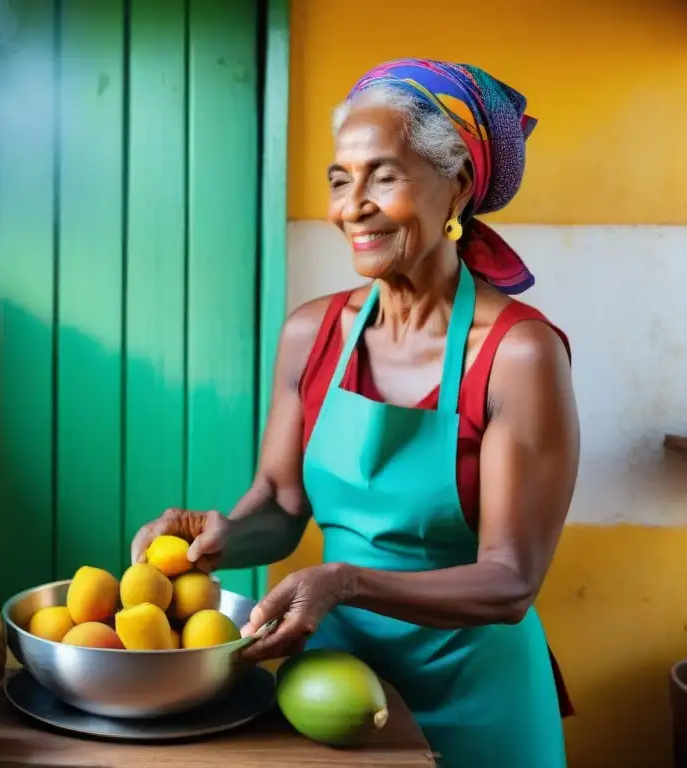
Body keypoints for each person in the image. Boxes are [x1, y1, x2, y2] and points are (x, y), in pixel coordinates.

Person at [131, 59, 580, 767]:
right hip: (336, 684)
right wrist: (220, 536)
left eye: (385, 175)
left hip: (480, 695)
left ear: (458, 185)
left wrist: (344, 581)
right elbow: (281, 503)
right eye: (341, 179)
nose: (352, 206)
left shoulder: (518, 354)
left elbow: (510, 581)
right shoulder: (313, 335)